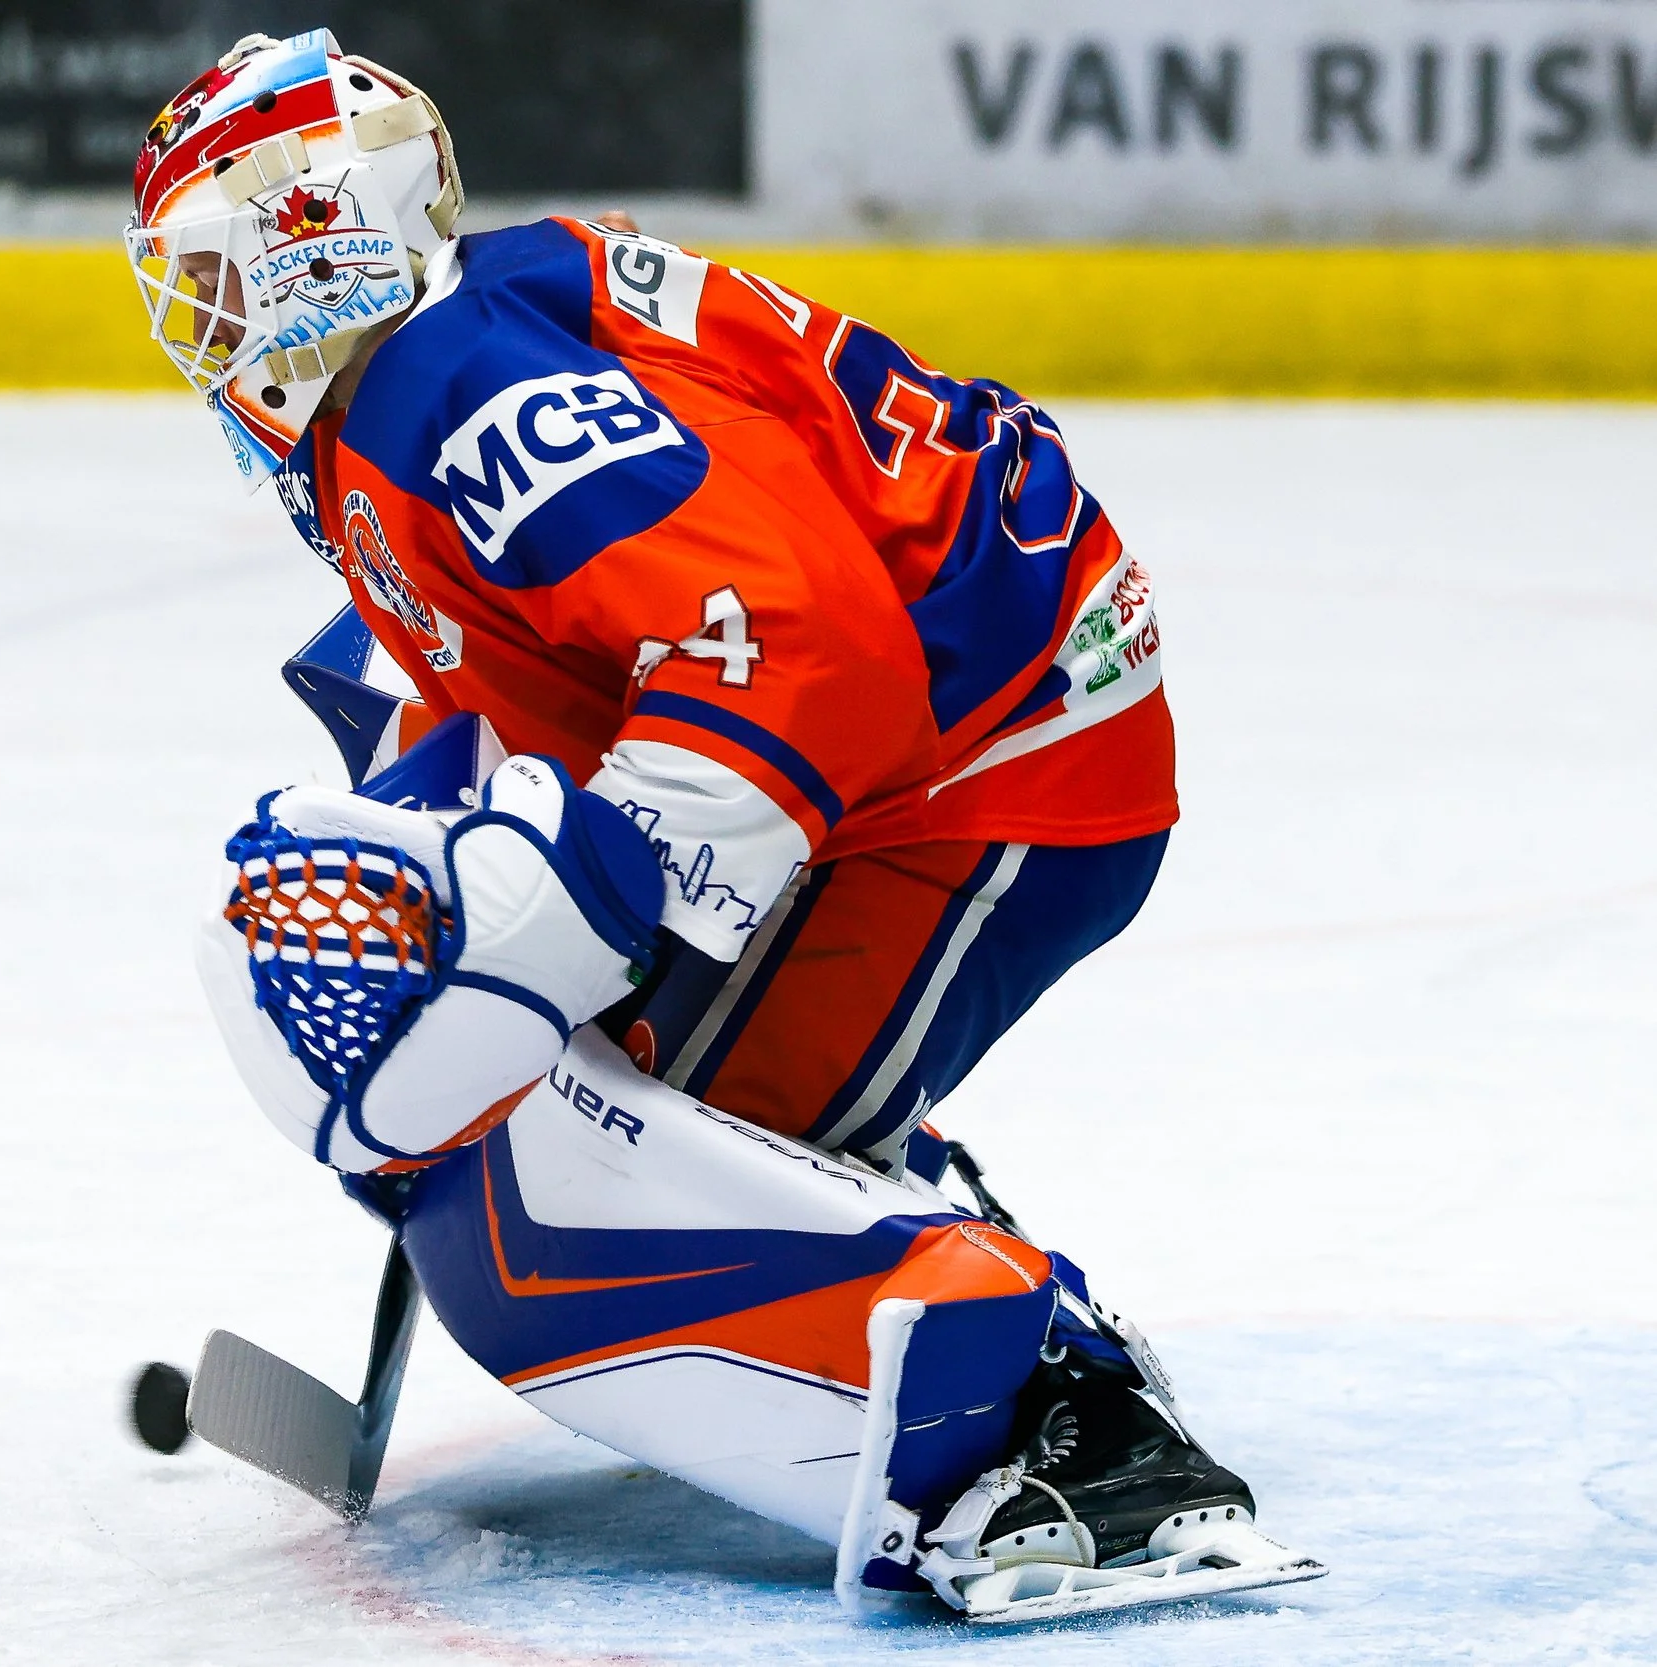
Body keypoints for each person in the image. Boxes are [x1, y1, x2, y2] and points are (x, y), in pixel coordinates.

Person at [130, 29, 1321, 1622]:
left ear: (319, 231)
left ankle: (1063, 1439)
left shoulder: (453, 382)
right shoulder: (429, 372)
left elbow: (798, 634)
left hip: (994, 752)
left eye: (219, 254)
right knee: (573, 1114)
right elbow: (571, 658)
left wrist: (570, 916)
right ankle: (949, 1288)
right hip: (930, 723)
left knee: (572, 1192)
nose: (200, 314)